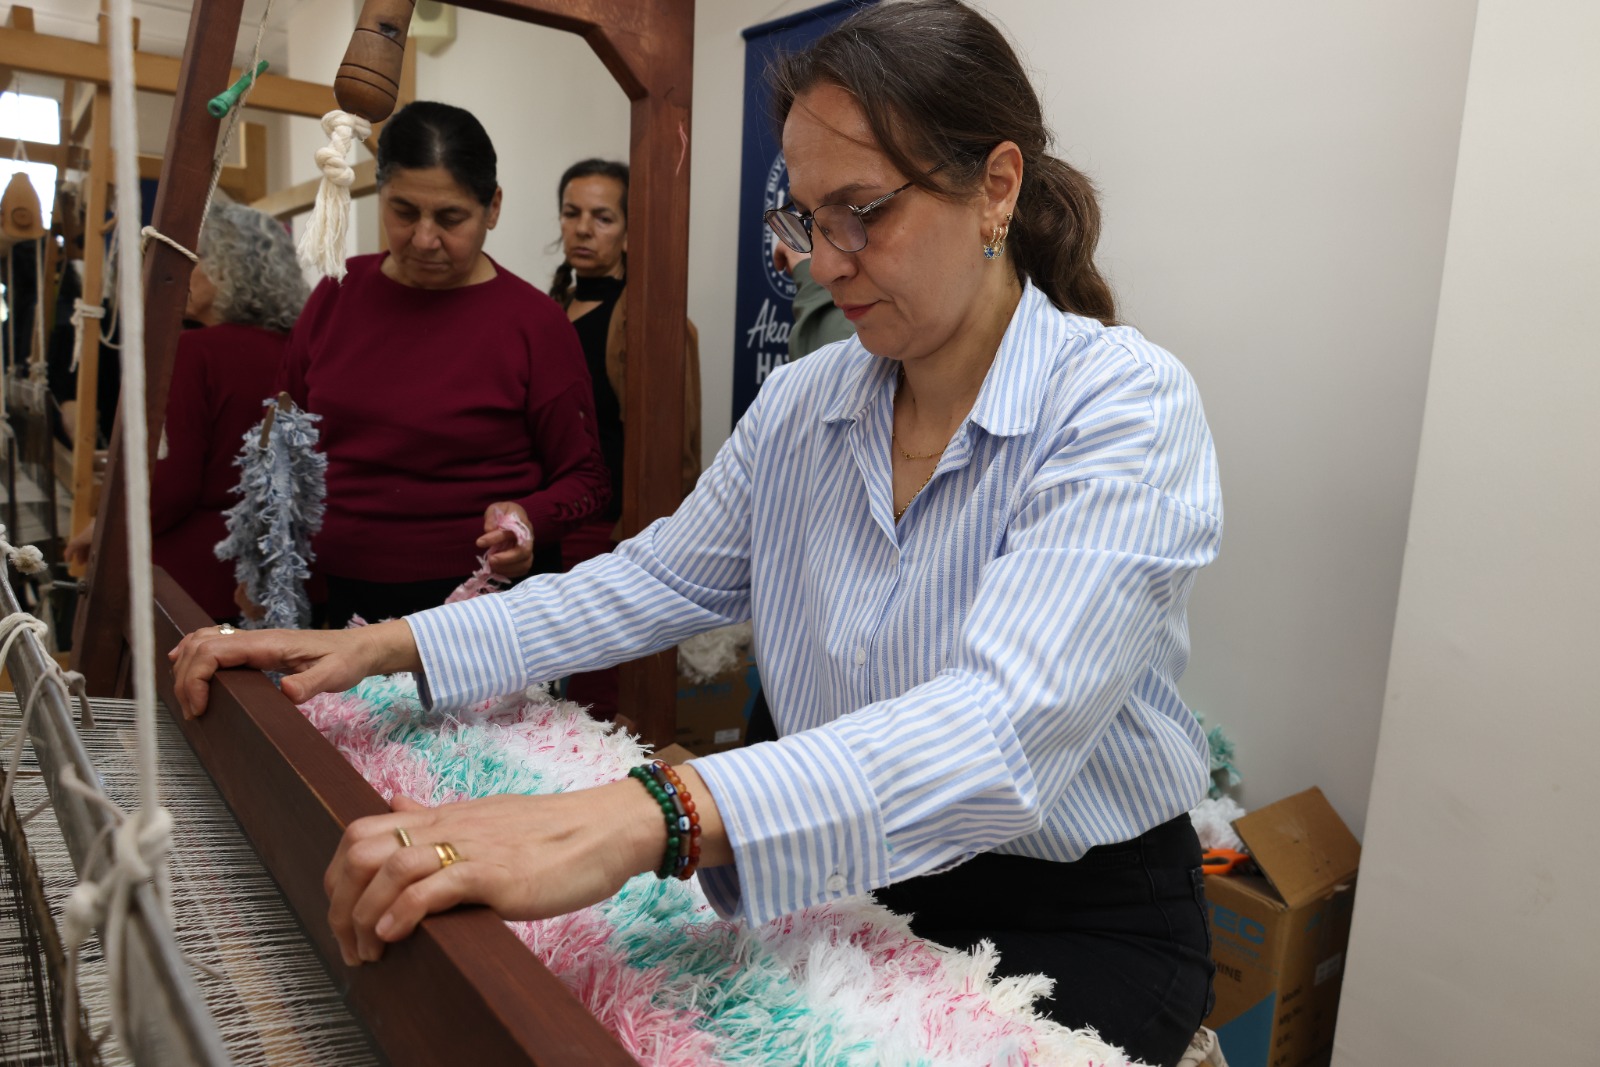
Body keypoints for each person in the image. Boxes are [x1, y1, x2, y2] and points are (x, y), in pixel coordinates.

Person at [170, 5, 1222, 1064]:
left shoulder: (1121, 405)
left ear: (995, 187)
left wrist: (650, 815)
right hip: (846, 869)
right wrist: (384, 646)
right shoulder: (810, 401)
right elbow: (648, 581)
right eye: (807, 218)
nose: (824, 263)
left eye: (861, 213)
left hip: (1072, 913)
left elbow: (1001, 731)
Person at [279, 101, 611, 628]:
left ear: (492, 208)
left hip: (481, 604)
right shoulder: (335, 296)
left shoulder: (535, 324)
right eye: (404, 212)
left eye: (451, 218)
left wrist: (529, 518)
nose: (424, 238)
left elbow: (588, 480)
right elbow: (284, 445)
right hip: (338, 595)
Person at [66, 203, 308, 621]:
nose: (179, 275)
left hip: (201, 578)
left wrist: (106, 527)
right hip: (287, 567)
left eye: (194, 260)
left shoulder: (194, 353)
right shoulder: (300, 349)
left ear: (229, 270)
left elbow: (170, 486)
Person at [546, 158, 702, 721]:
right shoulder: (547, 312)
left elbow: (675, 450)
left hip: (608, 535)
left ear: (631, 231)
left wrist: (642, 543)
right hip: (544, 530)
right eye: (572, 213)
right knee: (534, 697)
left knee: (597, 702)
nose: (583, 229)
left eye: (603, 217)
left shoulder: (650, 323)